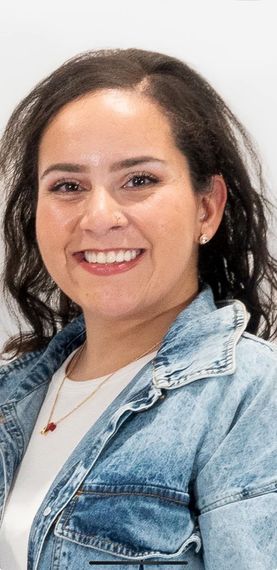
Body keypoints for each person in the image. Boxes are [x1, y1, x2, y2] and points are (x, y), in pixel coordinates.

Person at [0, 47, 276, 570]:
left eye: (139, 180)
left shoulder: (252, 398)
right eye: (68, 186)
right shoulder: (14, 393)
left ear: (206, 207)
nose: (98, 217)